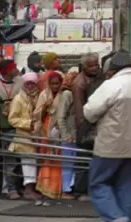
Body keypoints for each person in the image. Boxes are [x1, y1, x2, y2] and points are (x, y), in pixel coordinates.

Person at [83, 51, 131, 222]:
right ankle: (125, 218)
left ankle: (116, 217)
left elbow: (89, 112)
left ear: (113, 70)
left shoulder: (112, 85)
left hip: (110, 146)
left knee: (98, 184)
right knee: (127, 188)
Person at [0, 59, 21, 198]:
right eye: (14, 67)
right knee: (10, 158)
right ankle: (10, 189)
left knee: (21, 158)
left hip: (20, 124)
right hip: (5, 126)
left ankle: (18, 186)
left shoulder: (20, 82)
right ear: (7, 70)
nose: (17, 70)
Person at [73, 53, 103, 200]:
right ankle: (81, 191)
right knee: (83, 160)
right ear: (84, 67)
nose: (95, 68)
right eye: (91, 65)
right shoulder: (80, 82)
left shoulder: (100, 77)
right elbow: (79, 109)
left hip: (98, 123)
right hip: (86, 125)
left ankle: (94, 189)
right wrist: (83, 128)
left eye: (96, 64)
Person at [8, 72, 41, 199]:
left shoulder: (38, 96)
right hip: (23, 136)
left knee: (33, 162)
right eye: (27, 83)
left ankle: (30, 189)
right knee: (28, 162)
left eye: (32, 83)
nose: (30, 86)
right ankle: (28, 190)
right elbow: (12, 119)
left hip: (36, 135)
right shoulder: (18, 99)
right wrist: (28, 123)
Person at [35, 71, 66, 199]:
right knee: (47, 157)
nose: (55, 87)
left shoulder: (65, 94)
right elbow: (37, 114)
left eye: (57, 84)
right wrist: (44, 107)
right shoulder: (44, 94)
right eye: (52, 84)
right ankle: (45, 187)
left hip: (60, 128)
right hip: (46, 128)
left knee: (58, 158)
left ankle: (57, 188)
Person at [55, 69, 78, 198]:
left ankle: (70, 187)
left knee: (74, 162)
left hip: (75, 134)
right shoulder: (67, 94)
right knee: (68, 162)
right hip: (69, 135)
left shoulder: (75, 93)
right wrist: (65, 135)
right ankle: (66, 190)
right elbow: (61, 117)